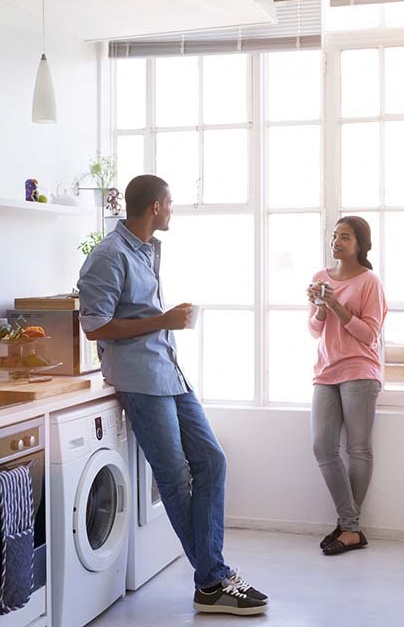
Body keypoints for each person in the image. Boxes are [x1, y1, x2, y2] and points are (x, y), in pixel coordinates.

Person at [77, 174, 268, 616]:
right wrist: (163, 320)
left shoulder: (144, 251)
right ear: (156, 208)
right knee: (176, 477)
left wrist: (164, 322)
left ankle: (212, 575)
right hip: (140, 380)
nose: (172, 210)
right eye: (171, 203)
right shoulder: (108, 256)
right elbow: (94, 325)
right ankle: (213, 578)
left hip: (168, 372)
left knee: (213, 460)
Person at [306, 216, 387, 556]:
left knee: (358, 449)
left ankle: (348, 527)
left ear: (360, 245)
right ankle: (351, 526)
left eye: (345, 237)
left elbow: (370, 335)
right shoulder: (320, 278)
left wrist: (337, 305)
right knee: (323, 447)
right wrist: (322, 308)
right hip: (326, 371)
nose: (337, 242)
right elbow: (313, 330)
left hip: (359, 371)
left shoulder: (370, 282)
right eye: (335, 236)